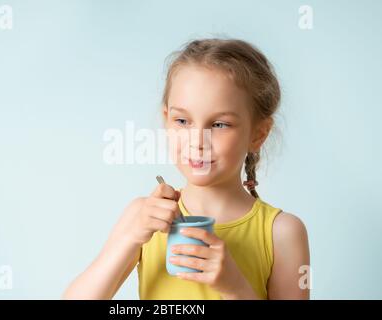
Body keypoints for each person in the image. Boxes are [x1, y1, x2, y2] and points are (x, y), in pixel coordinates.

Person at [64, 38, 310, 300]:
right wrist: (129, 240)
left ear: (258, 134)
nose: (197, 141)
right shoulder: (142, 216)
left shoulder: (282, 233)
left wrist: (235, 287)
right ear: (166, 119)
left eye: (219, 125)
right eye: (182, 121)